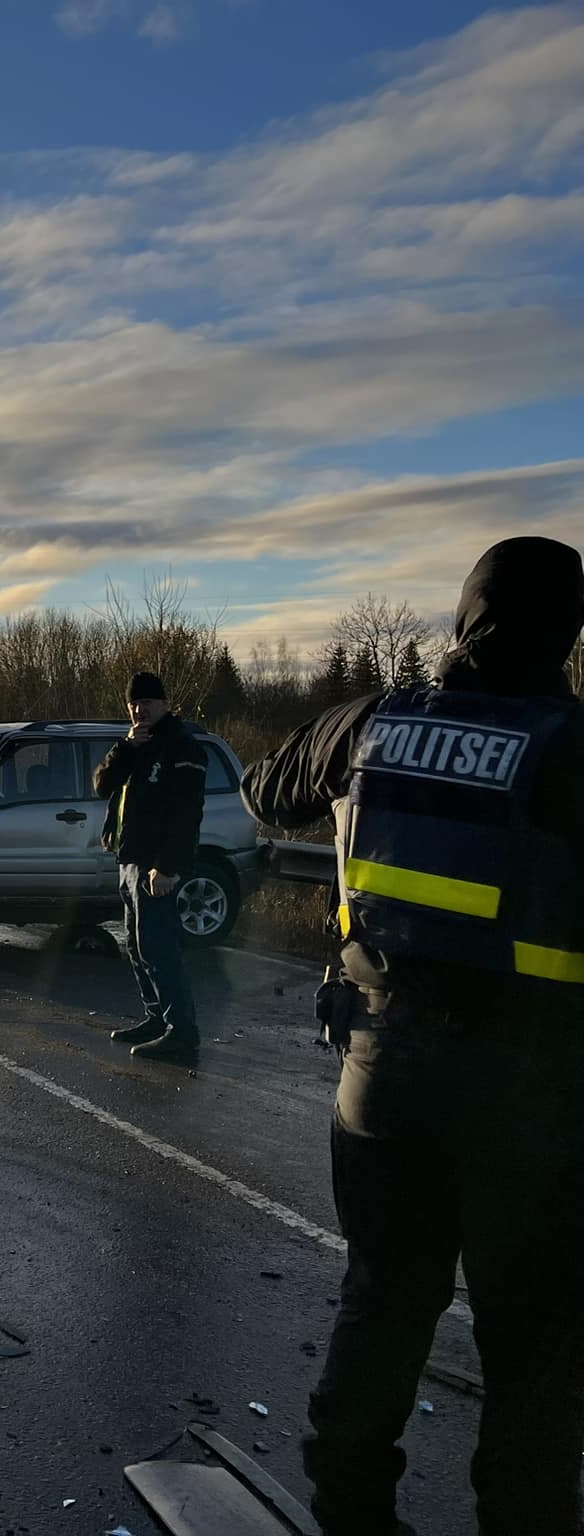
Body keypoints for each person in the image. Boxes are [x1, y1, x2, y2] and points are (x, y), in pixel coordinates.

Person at [241, 536, 584, 1536]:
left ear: (463, 617)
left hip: (380, 1076)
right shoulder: (567, 749)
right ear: (565, 632)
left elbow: (267, 789)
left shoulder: (369, 726)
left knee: (383, 1301)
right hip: (531, 1098)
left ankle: (350, 1514)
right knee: (534, 1351)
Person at [92, 670, 207, 1065]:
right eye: (134, 705)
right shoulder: (133, 745)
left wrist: (169, 867)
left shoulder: (181, 747)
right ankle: (156, 1018)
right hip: (128, 860)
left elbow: (187, 813)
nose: (140, 711)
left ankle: (182, 1032)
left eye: (147, 704)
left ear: (164, 704)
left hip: (156, 865)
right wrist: (124, 749)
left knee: (159, 947)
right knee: (136, 946)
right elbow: (103, 786)